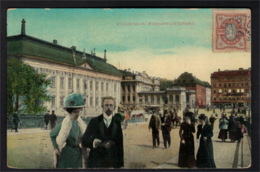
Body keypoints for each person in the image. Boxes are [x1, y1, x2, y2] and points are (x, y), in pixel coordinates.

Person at [82, 97, 124, 168]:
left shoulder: (117, 123)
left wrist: (120, 164)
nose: (108, 108)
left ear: (114, 107)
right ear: (102, 106)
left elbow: (120, 144)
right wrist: (93, 141)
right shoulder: (94, 121)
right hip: (97, 161)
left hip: (112, 161)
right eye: (106, 105)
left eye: (111, 105)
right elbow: (85, 139)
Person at [50, 93, 88, 168]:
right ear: (70, 112)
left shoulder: (81, 124)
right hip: (67, 153)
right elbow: (52, 135)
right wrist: (56, 148)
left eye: (78, 111)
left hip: (78, 153)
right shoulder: (64, 124)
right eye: (74, 112)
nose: (77, 114)